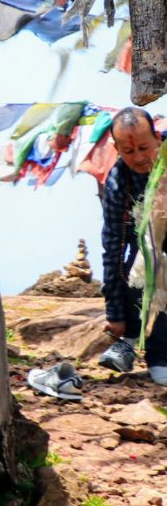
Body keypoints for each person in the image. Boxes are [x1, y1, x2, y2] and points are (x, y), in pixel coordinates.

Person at [99, 107, 167, 380]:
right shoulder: (119, 183)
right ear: (117, 149)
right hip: (152, 262)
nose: (139, 158)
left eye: (144, 147)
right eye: (129, 151)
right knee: (141, 265)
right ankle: (152, 354)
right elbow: (113, 248)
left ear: (158, 138)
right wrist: (115, 313)